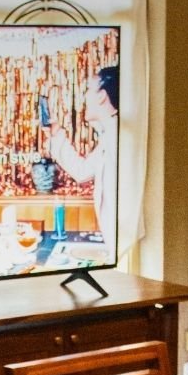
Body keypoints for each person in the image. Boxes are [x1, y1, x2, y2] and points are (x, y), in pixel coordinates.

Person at [47, 65, 119, 256]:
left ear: (102, 96)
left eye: (88, 90)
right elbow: (82, 171)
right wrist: (57, 133)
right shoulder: (109, 134)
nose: (85, 96)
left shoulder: (119, 136)